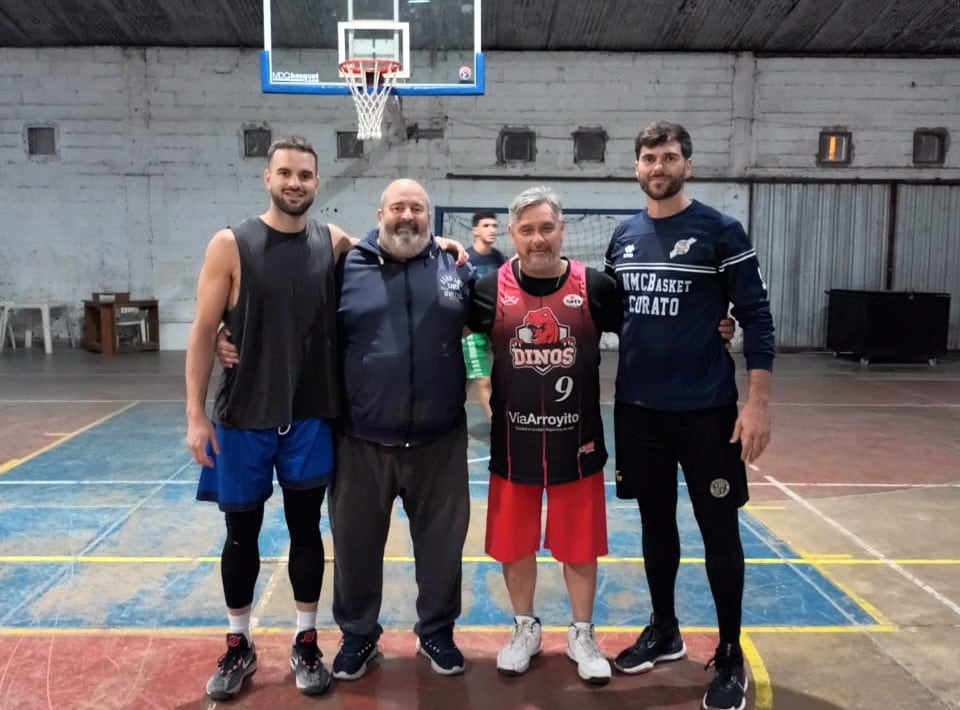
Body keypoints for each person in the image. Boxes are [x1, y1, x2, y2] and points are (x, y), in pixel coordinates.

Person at [604, 121, 774, 710]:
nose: (659, 166)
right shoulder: (622, 237)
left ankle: (730, 650)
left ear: (688, 165)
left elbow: (755, 316)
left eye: (669, 156)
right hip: (638, 412)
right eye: (649, 156)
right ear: (636, 167)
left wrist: (756, 403)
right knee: (655, 525)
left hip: (707, 412)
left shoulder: (721, 231)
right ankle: (665, 628)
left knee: (718, 530)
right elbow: (611, 313)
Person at [185, 135, 352, 700]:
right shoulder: (231, 244)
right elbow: (204, 332)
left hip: (307, 417)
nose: (295, 182)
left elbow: (390, 250)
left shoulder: (330, 241)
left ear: (317, 182)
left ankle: (306, 640)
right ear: (267, 178)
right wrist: (195, 416)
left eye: (305, 174)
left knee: (308, 531)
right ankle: (239, 643)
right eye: (285, 172)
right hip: (242, 419)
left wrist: (446, 244)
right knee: (241, 537)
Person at [467, 186, 621, 684]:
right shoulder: (488, 289)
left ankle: (581, 632)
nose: (538, 239)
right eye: (527, 230)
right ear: (512, 234)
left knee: (579, 546)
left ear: (562, 231)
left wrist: (719, 325)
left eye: (546, 228)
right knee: (515, 545)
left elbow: (645, 335)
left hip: (577, 444)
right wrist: (481, 385)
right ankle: (525, 628)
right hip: (514, 443)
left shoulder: (594, 286)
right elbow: (463, 338)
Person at [328, 178, 477, 681]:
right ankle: (358, 636)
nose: (406, 216)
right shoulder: (347, 266)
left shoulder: (456, 267)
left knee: (442, 545)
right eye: (398, 207)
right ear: (380, 213)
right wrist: (226, 333)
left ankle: (436, 632)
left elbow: (489, 319)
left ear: (429, 217)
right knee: (354, 546)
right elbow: (293, 316)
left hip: (439, 439)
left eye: (417, 208)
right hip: (360, 439)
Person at [461, 211, 506, 418]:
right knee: (482, 380)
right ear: (475, 229)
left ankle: (448, 409)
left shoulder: (498, 258)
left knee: (468, 378)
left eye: (494, 226)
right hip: (472, 331)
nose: (492, 230)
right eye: (486, 225)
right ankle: (498, 424)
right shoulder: (466, 259)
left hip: (493, 327)